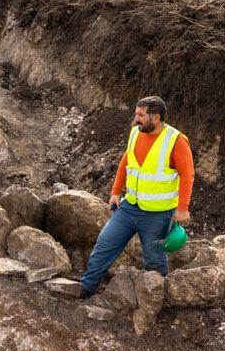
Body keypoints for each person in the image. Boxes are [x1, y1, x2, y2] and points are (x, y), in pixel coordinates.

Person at [80, 96, 194, 299]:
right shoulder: (135, 133)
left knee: (154, 259)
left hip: (158, 214)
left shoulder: (175, 140)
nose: (136, 118)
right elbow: (126, 162)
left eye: (140, 115)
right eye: (136, 114)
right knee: (104, 244)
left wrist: (182, 208)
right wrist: (116, 192)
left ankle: (157, 299)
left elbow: (187, 175)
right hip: (129, 207)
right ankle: (86, 289)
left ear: (155, 117)